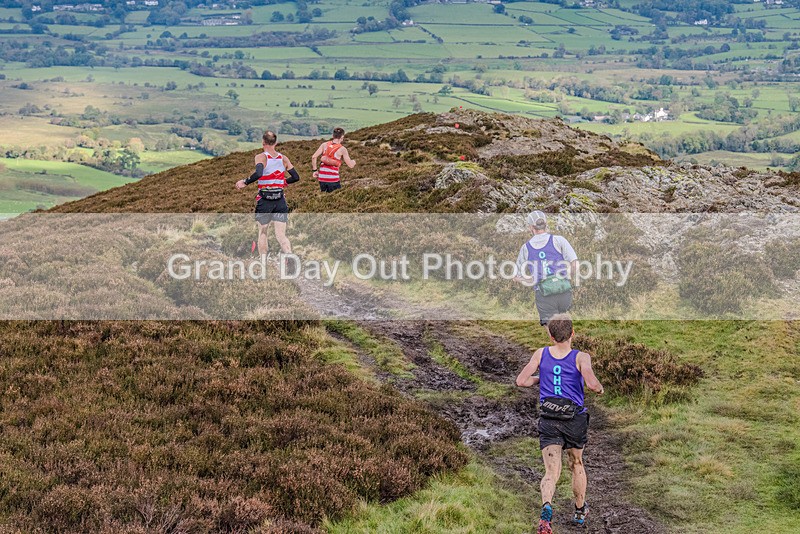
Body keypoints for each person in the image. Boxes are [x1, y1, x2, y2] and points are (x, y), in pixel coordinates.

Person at [515, 314, 604, 534]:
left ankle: (546, 507)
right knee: (576, 464)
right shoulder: (581, 357)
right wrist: (600, 389)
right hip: (574, 419)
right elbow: (592, 384)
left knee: (551, 472)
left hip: (549, 419)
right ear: (572, 333)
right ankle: (580, 511)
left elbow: (521, 381)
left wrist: (541, 378)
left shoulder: (541, 353)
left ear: (551, 336)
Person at [235, 130, 300, 257]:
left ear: (263, 142)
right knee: (281, 235)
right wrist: (283, 182)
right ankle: (289, 255)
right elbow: (296, 177)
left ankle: (263, 262)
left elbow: (259, 173)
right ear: (276, 143)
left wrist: (245, 182)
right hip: (280, 200)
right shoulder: (283, 158)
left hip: (265, 201)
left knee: (263, 232)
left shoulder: (261, 157)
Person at [514, 210, 578, 326]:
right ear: (546, 223)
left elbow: (516, 276)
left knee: (551, 327)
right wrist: (567, 278)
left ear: (531, 227)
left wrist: (531, 280)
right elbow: (574, 263)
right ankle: (569, 338)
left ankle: (556, 338)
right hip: (564, 291)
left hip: (544, 294)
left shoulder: (526, 248)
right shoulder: (559, 240)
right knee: (564, 324)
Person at [311, 127, 356, 193]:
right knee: (336, 196)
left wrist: (315, 170)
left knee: (324, 197)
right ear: (342, 137)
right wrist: (354, 162)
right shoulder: (342, 149)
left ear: (333, 135)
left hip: (322, 178)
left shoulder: (324, 145)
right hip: (333, 179)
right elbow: (350, 165)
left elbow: (314, 157)